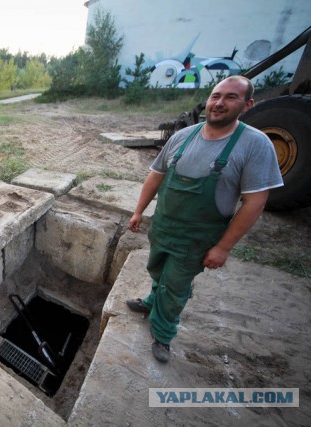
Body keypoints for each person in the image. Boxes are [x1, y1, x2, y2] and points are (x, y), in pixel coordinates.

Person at [127, 75, 283, 363]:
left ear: (247, 104)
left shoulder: (255, 145)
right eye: (216, 95)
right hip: (164, 226)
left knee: (176, 285)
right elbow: (156, 175)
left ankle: (163, 333)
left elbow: (254, 202)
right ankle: (152, 302)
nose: (219, 103)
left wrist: (223, 247)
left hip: (197, 236)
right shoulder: (183, 137)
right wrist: (139, 210)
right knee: (159, 270)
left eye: (231, 97)